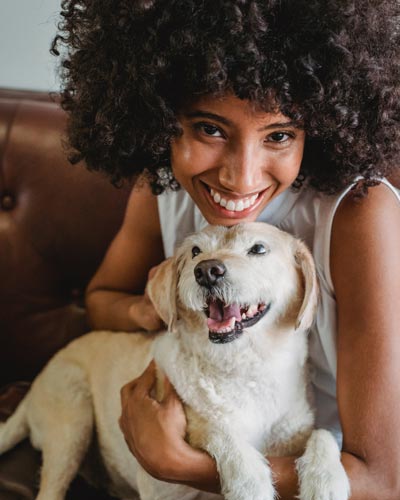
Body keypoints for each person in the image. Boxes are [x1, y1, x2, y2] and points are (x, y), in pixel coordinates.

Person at [52, 0, 400, 498]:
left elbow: (383, 480)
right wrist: (151, 309)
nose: (240, 177)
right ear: (161, 116)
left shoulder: (358, 215)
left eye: (278, 134)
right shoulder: (165, 189)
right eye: (209, 128)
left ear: (318, 129)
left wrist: (179, 462)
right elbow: (102, 299)